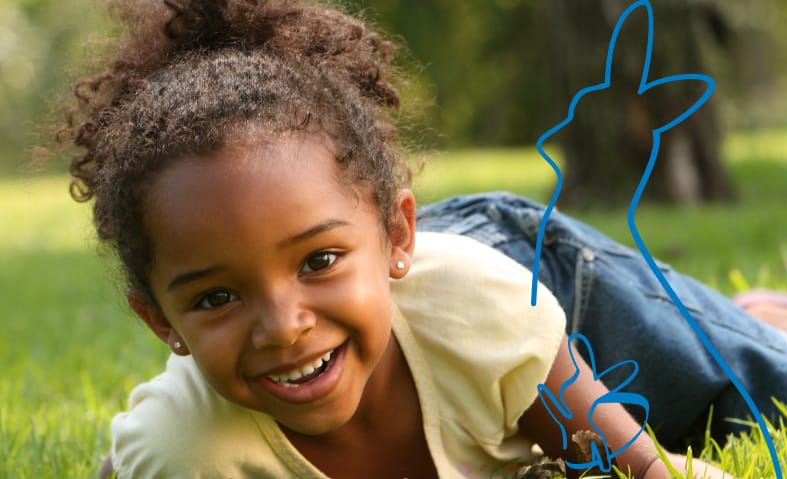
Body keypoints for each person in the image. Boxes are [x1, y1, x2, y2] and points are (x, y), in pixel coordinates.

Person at [59, 1, 751, 478]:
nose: (282, 326)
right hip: (394, 289)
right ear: (159, 320)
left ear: (397, 231)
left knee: (755, 375)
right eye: (215, 296)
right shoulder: (185, 448)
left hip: (524, 271)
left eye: (316, 260)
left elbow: (644, 472)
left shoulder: (486, 320)